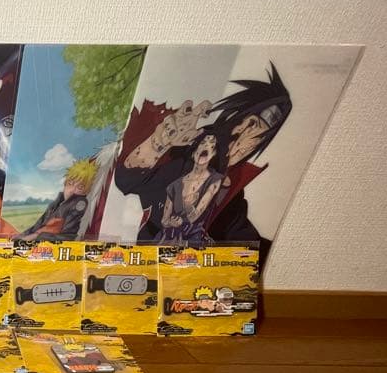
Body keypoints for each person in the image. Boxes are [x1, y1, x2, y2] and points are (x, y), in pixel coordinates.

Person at [115, 63, 291, 251]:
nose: (247, 140)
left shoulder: (231, 189)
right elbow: (128, 181)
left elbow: (243, 240)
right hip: (152, 253)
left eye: (260, 137)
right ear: (236, 119)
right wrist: (158, 142)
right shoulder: (186, 154)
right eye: (250, 124)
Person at [158, 131, 227, 242]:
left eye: (211, 146)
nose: (206, 147)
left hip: (192, 240)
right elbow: (164, 221)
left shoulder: (214, 180)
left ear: (214, 153)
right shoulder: (175, 185)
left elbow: (194, 216)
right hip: (167, 239)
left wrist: (186, 212)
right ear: (194, 152)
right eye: (203, 143)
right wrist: (171, 222)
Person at [18, 158, 99, 241]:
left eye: (80, 187)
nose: (72, 190)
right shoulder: (56, 203)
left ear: (86, 191)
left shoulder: (80, 203)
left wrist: (36, 236)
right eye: (70, 183)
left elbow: (67, 235)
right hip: (39, 238)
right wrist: (23, 235)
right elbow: (38, 224)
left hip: (51, 242)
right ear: (65, 183)